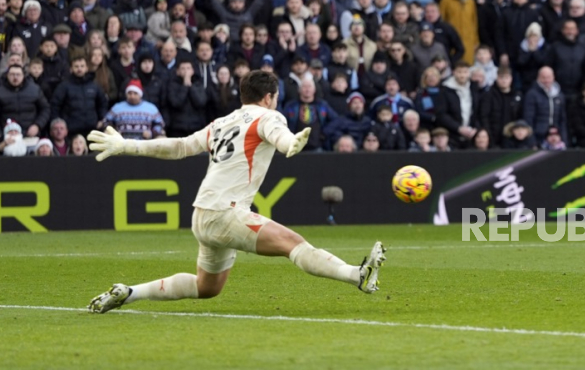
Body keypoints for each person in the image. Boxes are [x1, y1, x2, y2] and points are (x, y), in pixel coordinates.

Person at [87, 71, 386, 314]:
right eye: (276, 98)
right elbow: (278, 134)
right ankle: (356, 275)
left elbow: (179, 146)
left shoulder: (222, 122)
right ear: (268, 97)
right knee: (292, 243)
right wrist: (289, 143)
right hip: (226, 213)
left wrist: (129, 145)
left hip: (203, 214)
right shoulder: (269, 117)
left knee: (207, 288)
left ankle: (130, 293)